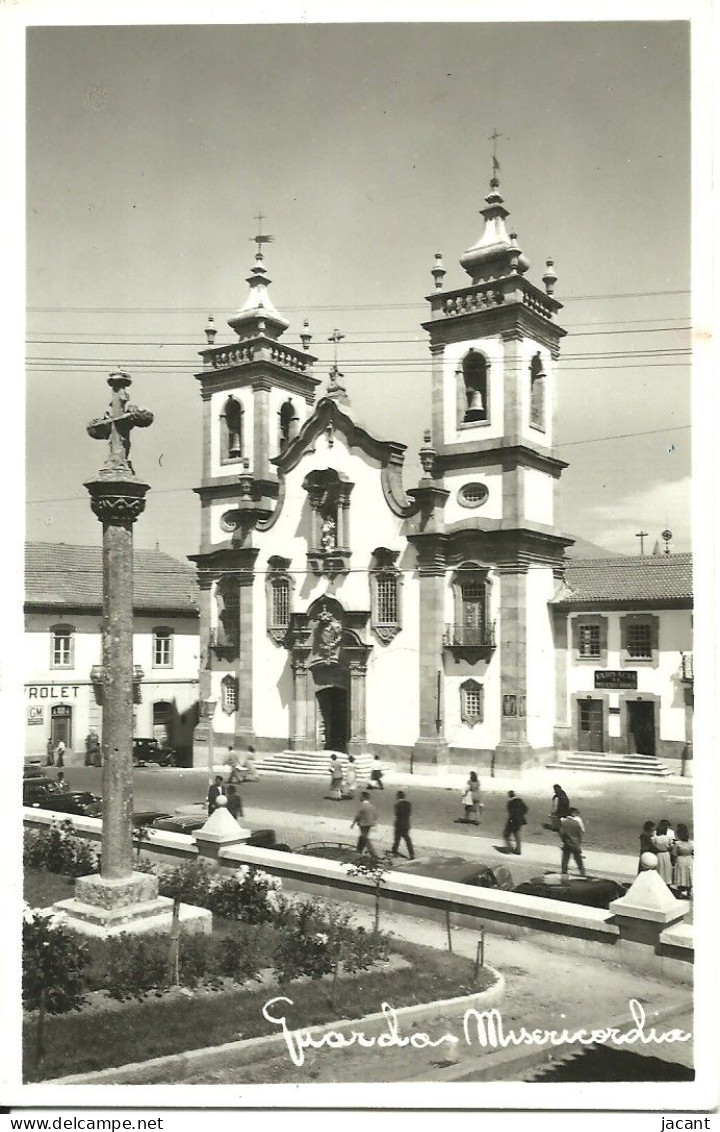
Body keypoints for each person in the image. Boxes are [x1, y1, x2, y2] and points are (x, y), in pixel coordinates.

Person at [559, 807, 586, 876]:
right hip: (575, 843)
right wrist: (578, 842)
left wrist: (563, 841)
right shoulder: (576, 822)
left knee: (565, 860)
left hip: (567, 843)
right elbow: (579, 834)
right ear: (572, 814)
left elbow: (562, 833)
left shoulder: (563, 822)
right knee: (578, 860)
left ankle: (564, 873)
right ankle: (582, 873)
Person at [351, 791, 378, 857]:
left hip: (363, 824)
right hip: (370, 824)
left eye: (361, 796)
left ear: (363, 797)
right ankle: (359, 850)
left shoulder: (362, 805)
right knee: (362, 837)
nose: (360, 797)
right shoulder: (372, 806)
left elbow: (358, 815)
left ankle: (373, 853)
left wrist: (353, 823)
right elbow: (375, 816)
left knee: (364, 838)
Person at [671, 823, 693, 898]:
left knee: (680, 875)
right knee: (688, 875)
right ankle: (689, 892)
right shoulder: (691, 843)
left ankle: (680, 892)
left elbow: (674, 854)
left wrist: (673, 862)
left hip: (680, 860)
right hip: (689, 860)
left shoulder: (677, 843)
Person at [503, 790, 528, 855]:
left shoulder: (510, 802)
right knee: (517, 835)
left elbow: (510, 812)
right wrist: (520, 815)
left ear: (509, 795)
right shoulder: (520, 801)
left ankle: (510, 848)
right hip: (519, 821)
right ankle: (518, 850)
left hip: (512, 821)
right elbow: (526, 809)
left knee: (506, 835)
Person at [391, 790, 415, 859]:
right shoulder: (408, 804)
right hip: (406, 824)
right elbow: (409, 814)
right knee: (407, 840)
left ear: (398, 796)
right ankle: (412, 853)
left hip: (399, 824)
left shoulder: (397, 805)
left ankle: (394, 852)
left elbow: (397, 815)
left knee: (397, 839)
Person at [652, 819, 674, 885]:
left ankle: (658, 881)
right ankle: (666, 882)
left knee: (659, 868)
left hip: (658, 853)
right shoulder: (670, 834)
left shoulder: (656, 833)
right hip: (666, 853)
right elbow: (671, 845)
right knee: (666, 868)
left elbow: (653, 844)